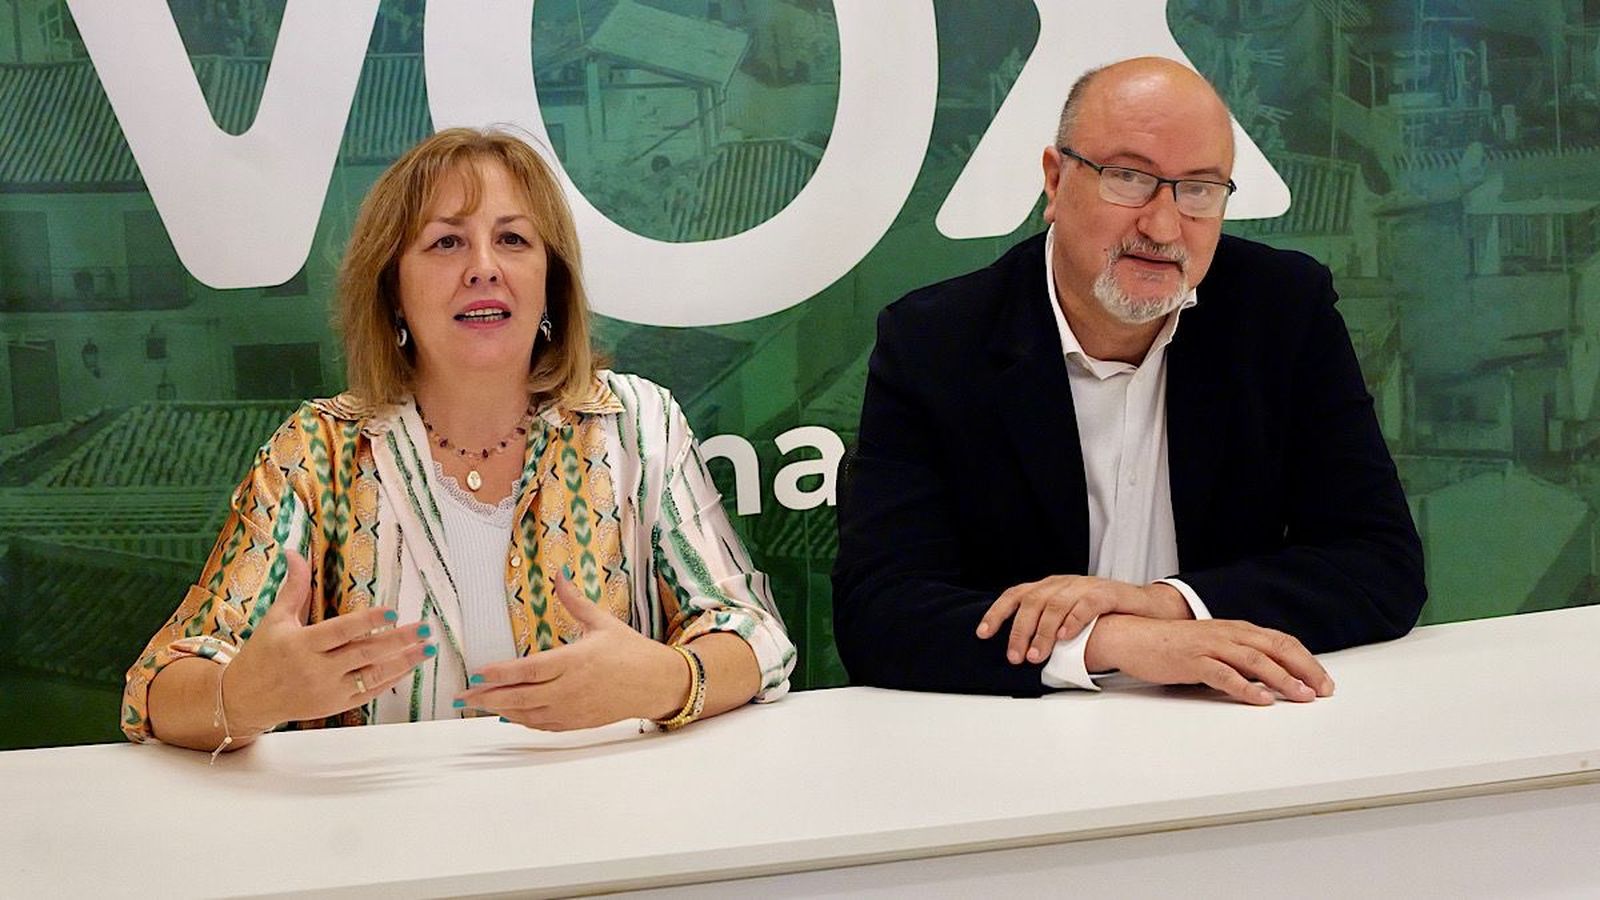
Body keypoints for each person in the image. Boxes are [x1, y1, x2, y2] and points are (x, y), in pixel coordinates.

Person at [123, 128, 794, 752]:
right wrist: (242, 697)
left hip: (609, 838)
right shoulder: (317, 451)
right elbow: (156, 688)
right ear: (392, 289)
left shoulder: (637, 424)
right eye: (446, 242)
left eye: (513, 240)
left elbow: (754, 635)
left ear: (550, 283)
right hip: (383, 855)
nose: (483, 267)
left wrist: (668, 679)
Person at [832, 57, 1425, 704]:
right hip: (1025, 739)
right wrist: (1113, 640)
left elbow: (1380, 564)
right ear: (1056, 181)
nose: (1164, 226)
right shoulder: (936, 342)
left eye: (1198, 189)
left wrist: (1165, 605)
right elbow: (879, 615)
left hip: (1230, 724)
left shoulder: (1282, 312)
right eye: (1129, 178)